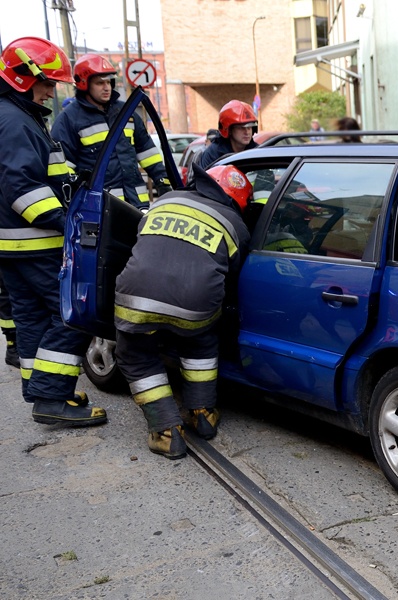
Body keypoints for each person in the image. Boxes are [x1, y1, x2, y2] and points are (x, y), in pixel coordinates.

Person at [0, 37, 107, 426]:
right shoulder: (15, 121)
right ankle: (51, 398)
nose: (51, 90)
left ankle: (43, 392)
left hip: (14, 248)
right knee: (74, 315)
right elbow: (23, 188)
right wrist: (70, 224)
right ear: (22, 78)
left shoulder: (14, 115)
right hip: (37, 244)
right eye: (47, 82)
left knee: (31, 318)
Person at [114, 165, 251, 459]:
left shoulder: (164, 200)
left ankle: (166, 432)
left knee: (136, 356)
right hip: (194, 306)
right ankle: (202, 413)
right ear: (236, 200)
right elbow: (232, 278)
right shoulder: (235, 225)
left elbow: (140, 242)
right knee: (200, 343)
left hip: (137, 298)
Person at [51, 54, 171, 209]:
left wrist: (162, 181)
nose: (107, 87)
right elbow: (62, 166)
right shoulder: (69, 119)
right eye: (100, 83)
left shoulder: (127, 112)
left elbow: (147, 152)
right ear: (84, 84)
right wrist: (75, 196)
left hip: (136, 204)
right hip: (99, 208)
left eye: (109, 82)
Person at [196, 100, 258, 170]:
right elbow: (203, 179)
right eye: (241, 128)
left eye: (249, 127)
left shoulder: (257, 152)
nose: (247, 132)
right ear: (229, 130)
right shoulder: (213, 154)